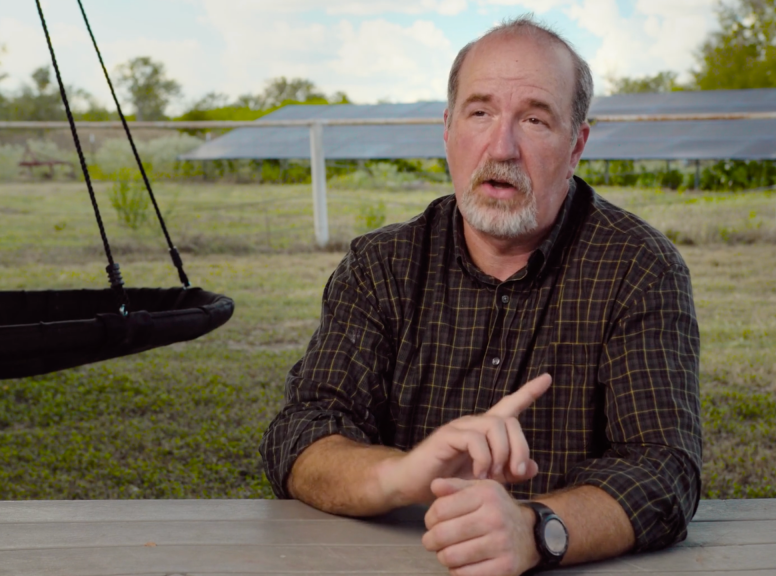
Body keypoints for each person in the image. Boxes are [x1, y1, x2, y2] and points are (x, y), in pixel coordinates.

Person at [260, 14, 701, 576]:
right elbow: (301, 432)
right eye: (480, 112)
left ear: (577, 144)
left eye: (536, 120)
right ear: (448, 129)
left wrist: (536, 528)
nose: (503, 147)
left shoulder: (638, 267)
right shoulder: (381, 266)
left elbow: (665, 468)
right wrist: (402, 473)